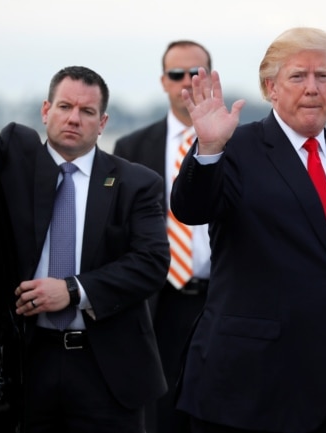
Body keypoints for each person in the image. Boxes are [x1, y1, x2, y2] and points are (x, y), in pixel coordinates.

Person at [0, 22, 169, 433]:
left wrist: (70, 290)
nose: (73, 119)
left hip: (108, 372)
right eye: (64, 106)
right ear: (46, 111)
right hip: (25, 363)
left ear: (102, 123)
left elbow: (152, 263)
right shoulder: (13, 155)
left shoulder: (136, 182)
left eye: (87, 112)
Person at [170, 27, 326, 433]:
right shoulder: (236, 148)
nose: (312, 88)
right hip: (251, 387)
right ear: (270, 87)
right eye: (298, 76)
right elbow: (191, 209)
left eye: (323, 77)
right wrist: (210, 149)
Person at [113, 40, 212, 433]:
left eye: (195, 73)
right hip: (156, 303)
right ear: (163, 81)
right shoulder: (132, 148)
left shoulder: (240, 144)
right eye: (177, 74)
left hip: (220, 298)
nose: (186, 81)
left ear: (209, 78)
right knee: (159, 416)